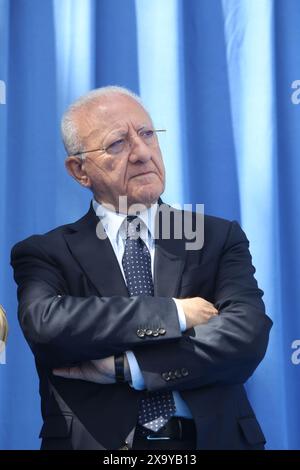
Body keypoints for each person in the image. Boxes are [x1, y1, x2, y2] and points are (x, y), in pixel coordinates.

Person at [11, 86, 272, 450]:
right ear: (79, 170)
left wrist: (128, 367)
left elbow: (246, 334)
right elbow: (47, 323)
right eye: (117, 143)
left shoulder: (214, 236)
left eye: (147, 134)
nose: (142, 153)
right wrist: (175, 313)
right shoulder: (46, 252)